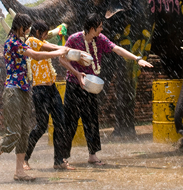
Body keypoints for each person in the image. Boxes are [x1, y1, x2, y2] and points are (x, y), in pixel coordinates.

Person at [0, 14, 70, 184]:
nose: (28, 31)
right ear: (20, 27)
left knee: (23, 133)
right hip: (13, 91)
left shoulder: (18, 41)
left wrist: (59, 50)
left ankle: (19, 170)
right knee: (13, 133)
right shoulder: (13, 43)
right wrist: (60, 52)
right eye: (26, 28)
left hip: (24, 90)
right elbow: (35, 55)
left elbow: (38, 51)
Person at [59, 13, 153, 166]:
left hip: (90, 86)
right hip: (74, 84)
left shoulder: (100, 39)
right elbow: (61, 58)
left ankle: (92, 155)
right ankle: (62, 157)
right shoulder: (74, 39)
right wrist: (76, 74)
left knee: (91, 120)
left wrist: (137, 59)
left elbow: (118, 49)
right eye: (100, 27)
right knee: (70, 121)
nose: (102, 29)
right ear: (91, 28)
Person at [23, 20, 75, 171]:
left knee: (61, 123)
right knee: (41, 126)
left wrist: (63, 48)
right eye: (44, 33)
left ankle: (59, 160)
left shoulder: (41, 41)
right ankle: (24, 158)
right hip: (40, 90)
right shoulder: (31, 41)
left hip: (52, 88)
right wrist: (63, 49)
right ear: (38, 32)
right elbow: (50, 47)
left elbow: (50, 45)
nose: (45, 36)